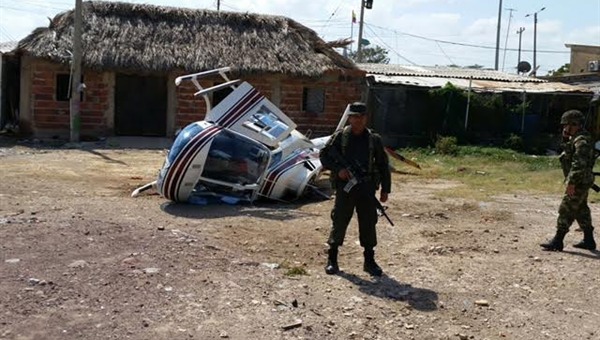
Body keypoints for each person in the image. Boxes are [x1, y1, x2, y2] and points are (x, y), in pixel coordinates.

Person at [319, 102, 392, 276]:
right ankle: (332, 259)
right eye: (354, 117)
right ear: (349, 118)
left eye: (361, 117)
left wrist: (385, 189)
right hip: (346, 188)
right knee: (340, 220)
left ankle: (369, 260)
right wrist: (339, 170)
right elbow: (324, 155)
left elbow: (383, 164)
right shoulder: (340, 137)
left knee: (368, 222)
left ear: (366, 118)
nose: (357, 120)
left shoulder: (374, 139)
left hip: (366, 187)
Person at [540, 109, 596, 251]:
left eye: (567, 125)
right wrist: (565, 139)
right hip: (582, 180)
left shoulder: (581, 141)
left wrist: (571, 183)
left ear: (575, 124)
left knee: (566, 208)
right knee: (581, 209)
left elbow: (579, 163)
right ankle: (589, 240)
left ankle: (558, 241)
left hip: (579, 181)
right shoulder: (577, 139)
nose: (565, 128)